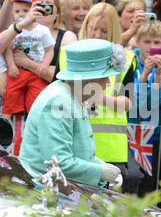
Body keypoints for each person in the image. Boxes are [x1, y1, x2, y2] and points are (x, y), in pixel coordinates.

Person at [18, 38, 126, 189]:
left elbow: (78, 153)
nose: (108, 82)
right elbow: (59, 163)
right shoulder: (59, 102)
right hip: (45, 193)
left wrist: (102, 166)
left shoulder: (71, 94)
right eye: (105, 77)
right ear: (90, 80)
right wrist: (101, 171)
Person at [75, 3, 140, 194]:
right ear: (86, 26)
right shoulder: (67, 55)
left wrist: (101, 98)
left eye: (104, 30)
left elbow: (127, 102)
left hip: (111, 149)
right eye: (94, 28)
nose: (97, 35)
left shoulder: (125, 60)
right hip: (77, 145)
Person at [129, 20, 161, 196]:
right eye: (147, 42)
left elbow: (154, 103)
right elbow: (135, 102)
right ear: (137, 41)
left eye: (157, 42)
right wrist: (144, 76)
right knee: (130, 179)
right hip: (130, 130)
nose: (152, 47)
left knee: (148, 185)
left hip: (153, 134)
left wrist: (157, 75)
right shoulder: (128, 62)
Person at [1, 0, 55, 120]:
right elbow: (8, 49)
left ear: (34, 12)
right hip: (18, 72)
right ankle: (4, 124)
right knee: (10, 97)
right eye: (17, 11)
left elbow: (49, 50)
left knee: (37, 101)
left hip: (36, 72)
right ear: (13, 13)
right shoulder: (13, 29)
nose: (21, 14)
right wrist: (11, 65)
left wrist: (45, 65)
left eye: (26, 11)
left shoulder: (42, 30)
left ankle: (35, 126)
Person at [34, 0, 78, 82]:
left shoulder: (67, 37)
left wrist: (26, 63)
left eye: (48, 4)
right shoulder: (22, 33)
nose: (43, 8)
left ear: (57, 12)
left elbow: (64, 76)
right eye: (40, 4)